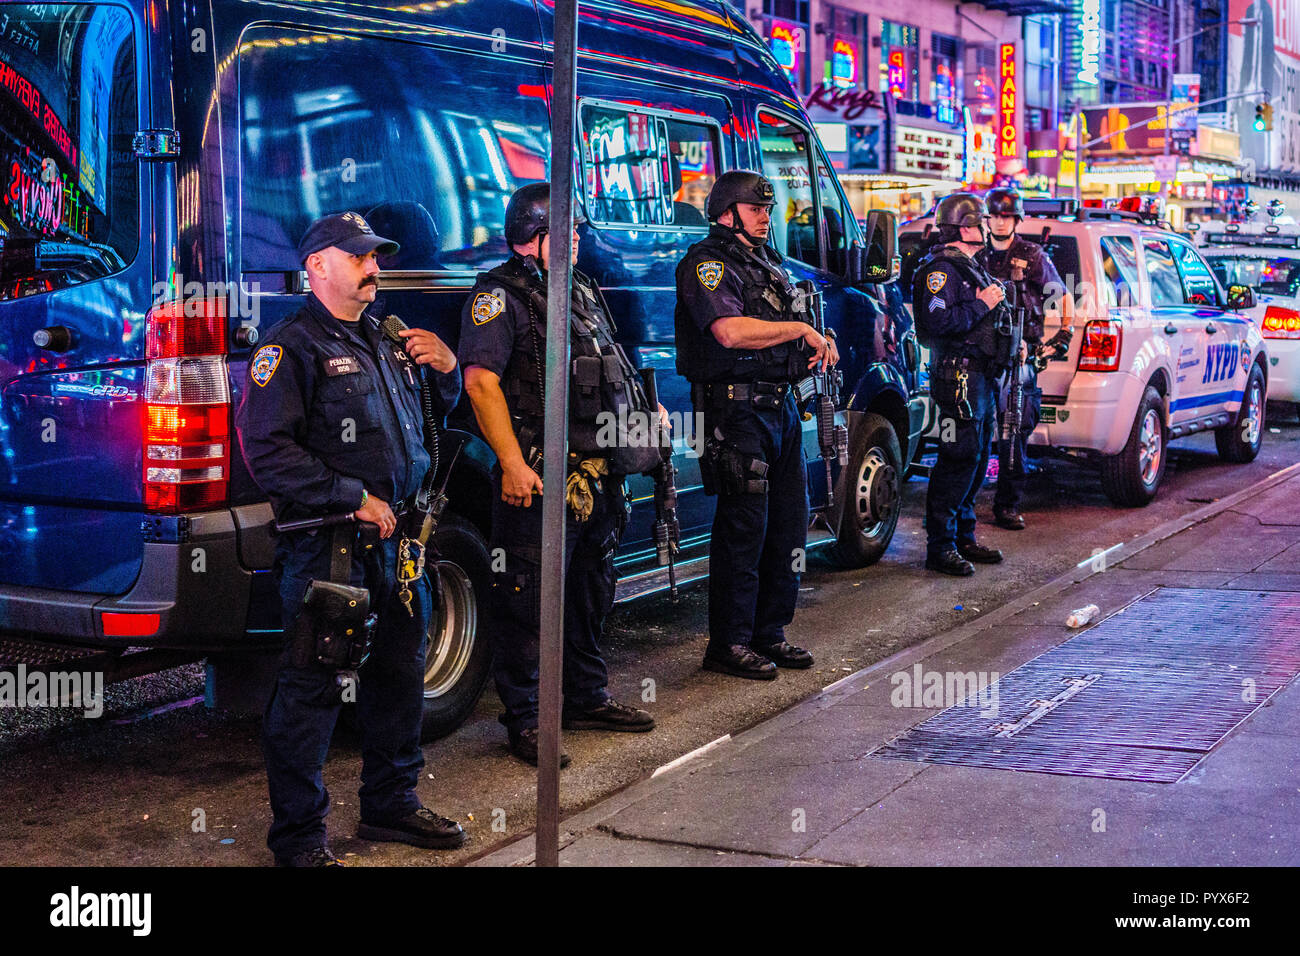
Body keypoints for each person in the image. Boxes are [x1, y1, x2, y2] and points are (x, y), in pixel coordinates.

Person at [236, 212, 466, 866]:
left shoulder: (387, 338)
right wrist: (351, 497)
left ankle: (390, 804)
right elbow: (266, 451)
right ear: (317, 267)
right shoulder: (289, 350)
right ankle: (301, 842)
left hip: (401, 548)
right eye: (359, 256)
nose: (374, 268)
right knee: (311, 693)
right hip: (330, 549)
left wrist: (445, 370)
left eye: (376, 257)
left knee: (399, 676)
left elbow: (428, 420)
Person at [458, 182, 657, 768]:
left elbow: (611, 364)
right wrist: (513, 464)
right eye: (563, 231)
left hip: (595, 474)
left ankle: (584, 698)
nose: (574, 239)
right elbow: (480, 382)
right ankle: (526, 719)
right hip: (539, 477)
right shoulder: (497, 298)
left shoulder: (581, 290)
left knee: (591, 590)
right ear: (532, 239)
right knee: (527, 601)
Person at [674, 170, 837, 679]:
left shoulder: (766, 262)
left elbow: (782, 323)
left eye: (768, 208)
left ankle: (770, 632)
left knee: (789, 523)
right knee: (744, 529)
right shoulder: (707, 264)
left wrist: (816, 341)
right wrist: (800, 330)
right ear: (726, 213)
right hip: (736, 411)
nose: (767, 215)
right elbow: (728, 331)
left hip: (779, 406)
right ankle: (729, 643)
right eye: (755, 207)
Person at [911, 193, 1012, 577]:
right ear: (966, 227)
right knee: (957, 458)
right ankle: (941, 546)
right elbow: (937, 324)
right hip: (957, 378)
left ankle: (964, 536)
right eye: (982, 221)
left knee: (977, 456)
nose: (988, 227)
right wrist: (982, 304)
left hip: (981, 378)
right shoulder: (943, 271)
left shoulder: (972, 267)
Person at [977, 187, 1071, 530]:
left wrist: (1063, 335)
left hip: (1020, 358)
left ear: (1016, 219)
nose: (1001, 223)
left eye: (1007, 216)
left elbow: (1061, 295)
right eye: (995, 216)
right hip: (983, 355)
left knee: (1014, 431)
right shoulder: (977, 255)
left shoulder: (1032, 255)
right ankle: (967, 506)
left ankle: (1008, 504)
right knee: (975, 429)